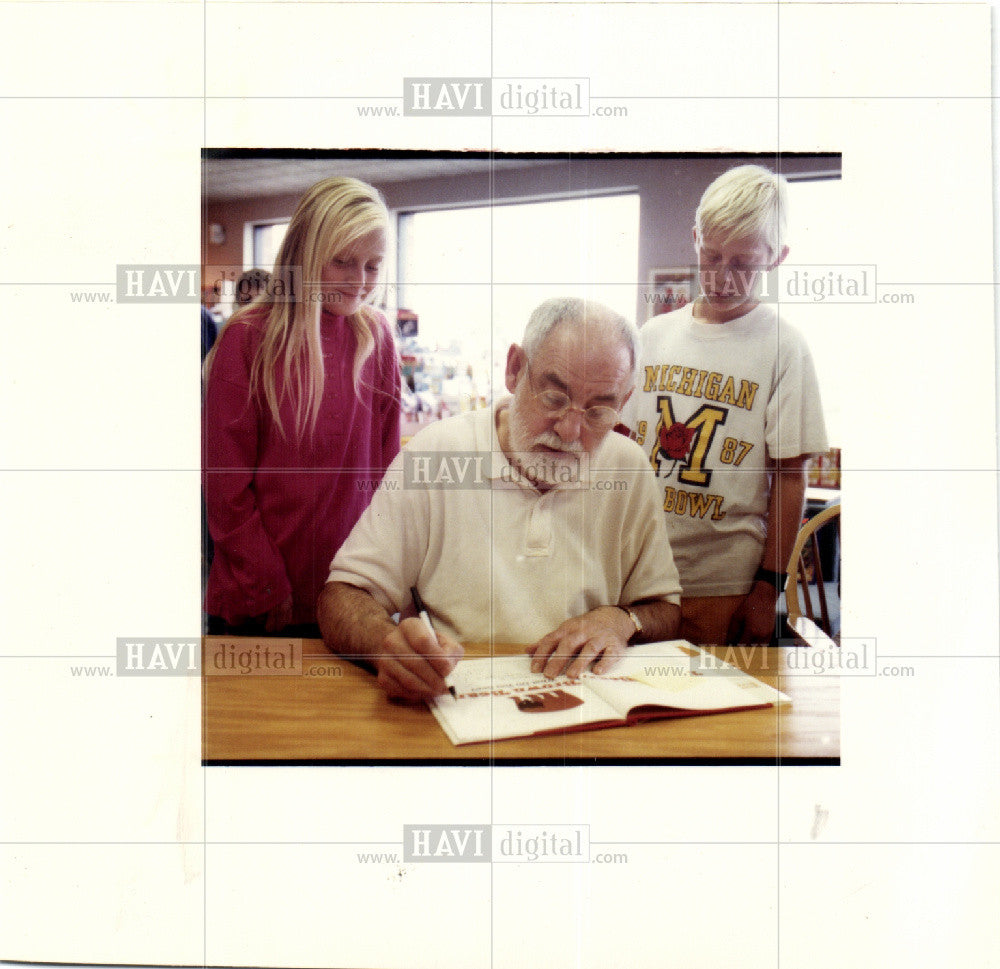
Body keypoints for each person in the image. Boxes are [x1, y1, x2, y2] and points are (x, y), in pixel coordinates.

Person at [319, 297, 682, 701]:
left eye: (598, 411)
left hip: (586, 708)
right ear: (514, 370)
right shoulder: (436, 453)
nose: (568, 431)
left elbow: (664, 609)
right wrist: (385, 645)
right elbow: (343, 595)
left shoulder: (628, 468)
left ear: (624, 402)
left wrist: (621, 619)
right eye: (554, 398)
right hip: (456, 700)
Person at [623, 165, 828, 647]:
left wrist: (769, 588)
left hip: (726, 583)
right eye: (711, 256)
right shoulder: (652, 336)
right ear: (695, 238)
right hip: (642, 572)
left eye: (743, 264)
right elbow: (626, 450)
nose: (721, 277)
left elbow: (790, 476)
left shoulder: (784, 347)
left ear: (776, 258)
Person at [203, 177, 401, 635]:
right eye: (343, 262)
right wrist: (267, 583)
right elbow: (225, 486)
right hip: (262, 594)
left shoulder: (376, 336)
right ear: (305, 254)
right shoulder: (248, 336)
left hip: (349, 591)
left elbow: (389, 474)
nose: (359, 281)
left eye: (373, 266)